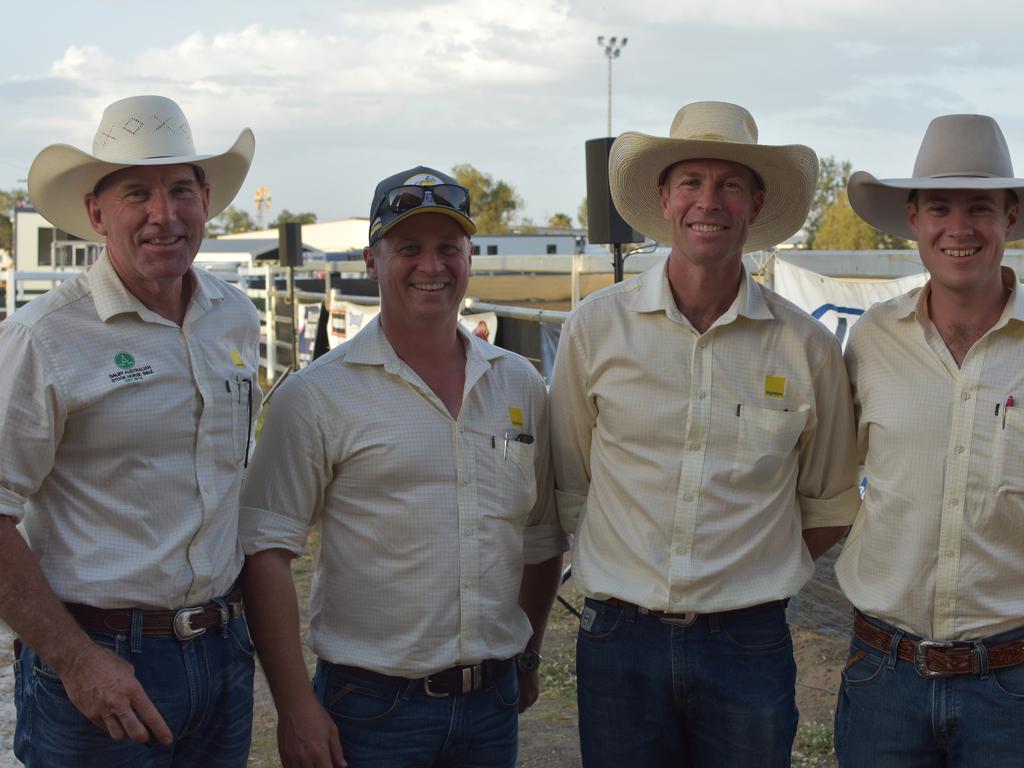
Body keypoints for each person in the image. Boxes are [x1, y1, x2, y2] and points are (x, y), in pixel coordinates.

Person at [550, 101, 860, 767]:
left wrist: (750, 569)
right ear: (664, 198)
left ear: (755, 203)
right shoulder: (596, 329)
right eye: (691, 181)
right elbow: (570, 481)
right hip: (618, 640)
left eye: (729, 185)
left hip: (748, 643)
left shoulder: (805, 348)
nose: (708, 202)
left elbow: (831, 501)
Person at [239, 166, 566, 768]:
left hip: (491, 706)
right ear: (371, 260)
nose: (431, 266)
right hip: (371, 707)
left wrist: (527, 655)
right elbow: (265, 550)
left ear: (471, 257)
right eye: (409, 248)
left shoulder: (519, 383)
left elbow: (543, 537)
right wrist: (294, 708)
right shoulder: (317, 396)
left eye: (449, 248)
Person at [0, 94, 259, 766]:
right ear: (96, 212)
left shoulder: (233, 316)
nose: (163, 215)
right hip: (99, 660)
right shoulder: (42, 338)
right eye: (136, 193)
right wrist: (76, 660)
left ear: (206, 200)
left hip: (222, 647)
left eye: (180, 190)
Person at [835, 113, 1024, 767]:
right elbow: (825, 481)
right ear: (913, 218)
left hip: (1013, 682)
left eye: (980, 207)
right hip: (884, 673)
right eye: (940, 206)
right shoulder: (870, 343)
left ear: (1012, 218)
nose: (959, 227)